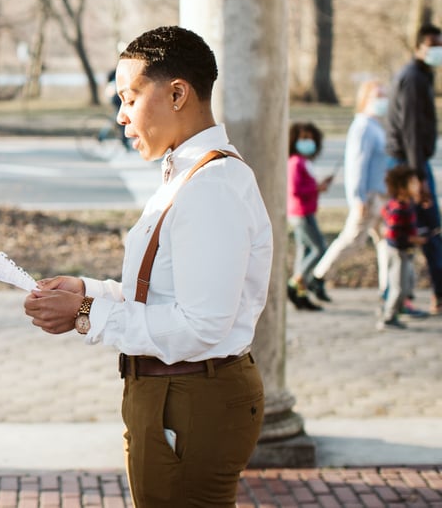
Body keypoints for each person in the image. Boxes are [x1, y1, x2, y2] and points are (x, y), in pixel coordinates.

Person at [24, 26, 272, 507]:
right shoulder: (187, 175)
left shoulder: (212, 186)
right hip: (173, 392)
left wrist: (86, 313)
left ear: (177, 93)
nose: (121, 116)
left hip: (193, 394)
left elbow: (200, 325)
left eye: (130, 98)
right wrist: (86, 289)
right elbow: (163, 296)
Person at [308, 81, 388, 300]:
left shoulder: (376, 126)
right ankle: (317, 276)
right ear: (365, 99)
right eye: (378, 95)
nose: (383, 100)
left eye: (384, 95)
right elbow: (356, 165)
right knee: (352, 240)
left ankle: (388, 289)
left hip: (380, 196)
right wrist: (358, 199)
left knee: (386, 242)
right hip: (368, 198)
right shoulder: (363, 127)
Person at [385, 23, 442, 316]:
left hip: (413, 162)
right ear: (418, 47)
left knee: (410, 232)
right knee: (426, 229)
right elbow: (410, 131)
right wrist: (419, 180)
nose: (437, 51)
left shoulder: (422, 76)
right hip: (409, 165)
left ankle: (396, 297)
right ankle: (421, 297)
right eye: (432, 45)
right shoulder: (412, 79)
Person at [286, 121, 332, 310]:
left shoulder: (305, 162)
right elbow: (296, 188)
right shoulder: (296, 162)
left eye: (311, 139)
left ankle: (301, 292)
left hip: (305, 211)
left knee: (303, 251)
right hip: (301, 213)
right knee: (318, 248)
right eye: (304, 138)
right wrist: (317, 187)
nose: (308, 142)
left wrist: (318, 187)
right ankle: (296, 281)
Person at [378, 165, 426, 331]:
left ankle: (397, 310)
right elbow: (393, 234)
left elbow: (385, 212)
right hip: (398, 252)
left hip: (405, 251)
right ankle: (388, 317)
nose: (418, 186)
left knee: (407, 283)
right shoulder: (399, 208)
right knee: (398, 287)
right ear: (401, 188)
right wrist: (414, 238)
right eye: (413, 183)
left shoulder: (406, 203)